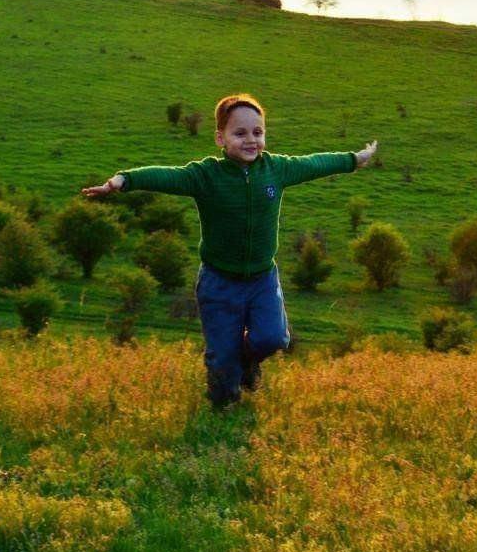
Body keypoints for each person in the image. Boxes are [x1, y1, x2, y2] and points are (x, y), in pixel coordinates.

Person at [82, 93, 377, 408]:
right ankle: (223, 407)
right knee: (223, 368)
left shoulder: (275, 169)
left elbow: (314, 163)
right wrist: (122, 181)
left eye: (258, 132)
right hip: (218, 282)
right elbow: (166, 175)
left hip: (262, 279)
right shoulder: (206, 176)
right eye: (240, 133)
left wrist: (353, 160)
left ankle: (247, 362)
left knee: (274, 338)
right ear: (220, 138)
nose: (251, 140)